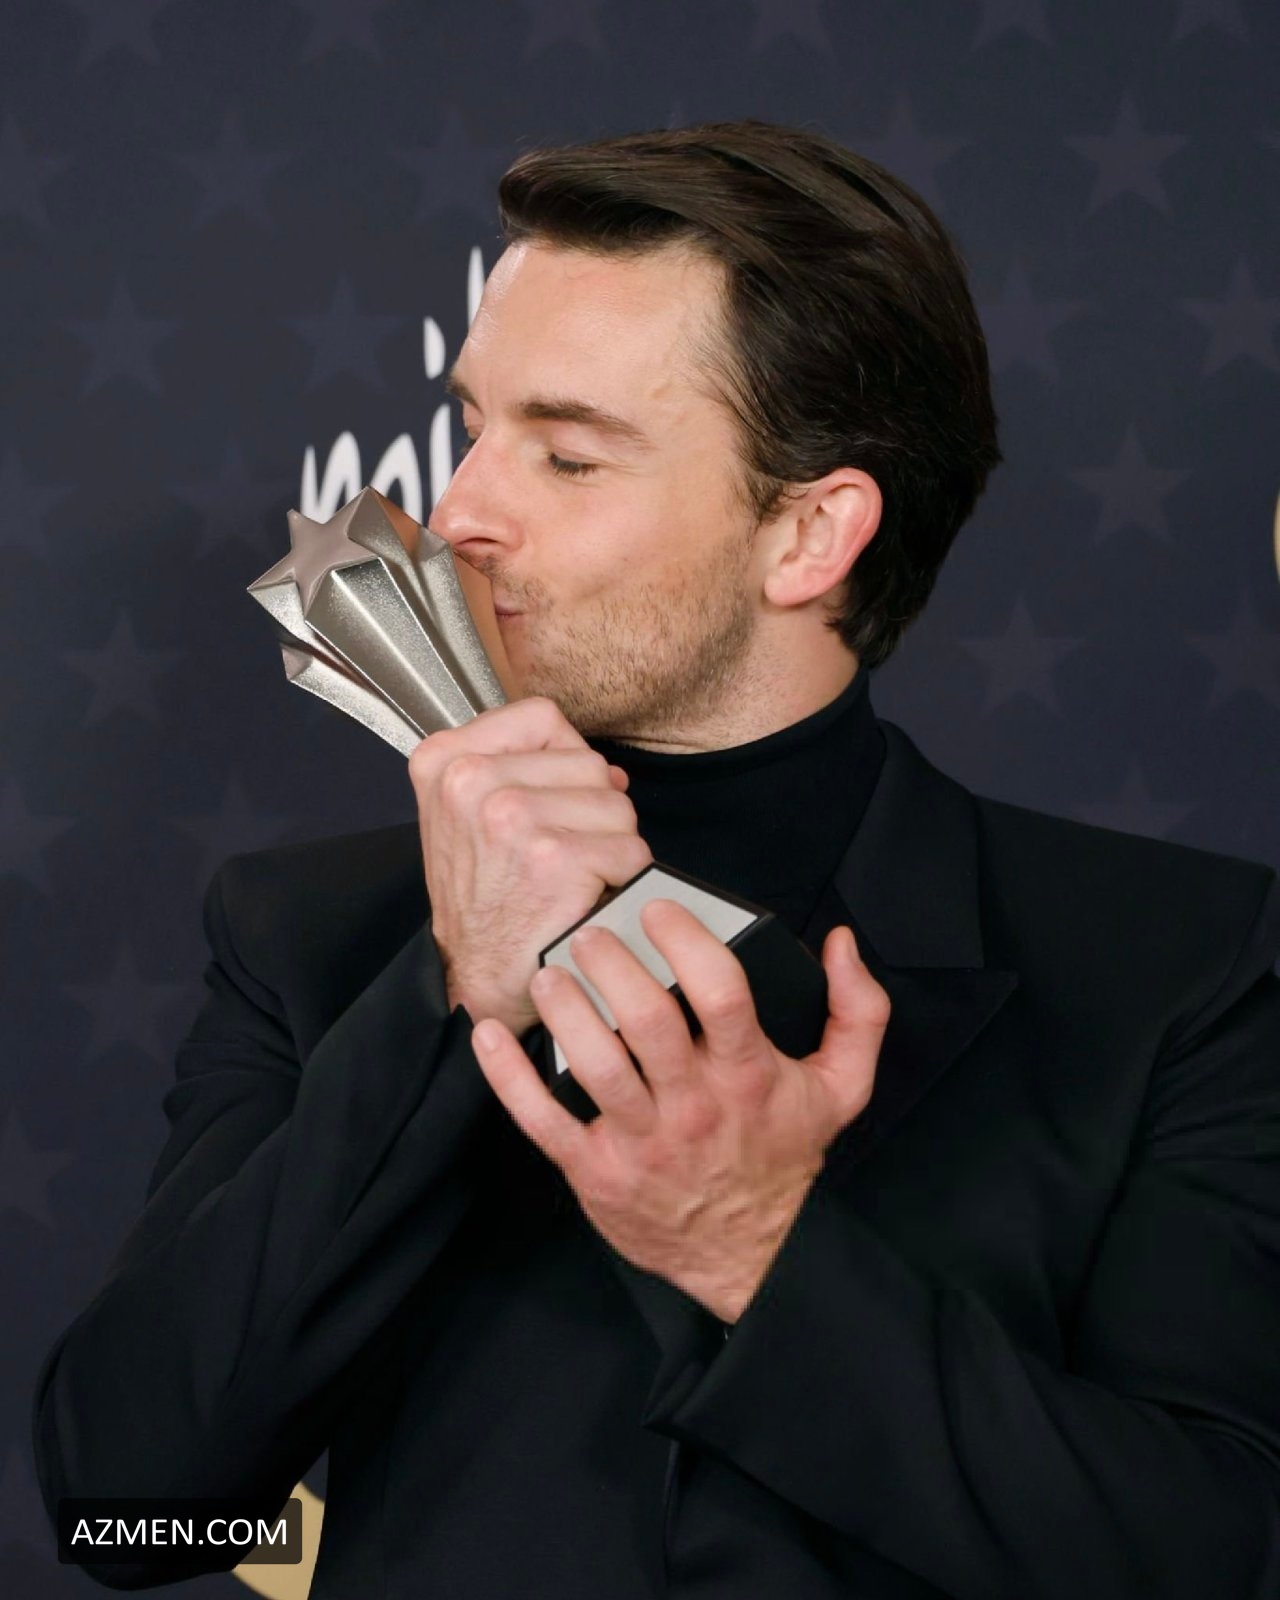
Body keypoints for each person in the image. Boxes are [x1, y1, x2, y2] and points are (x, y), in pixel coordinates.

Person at [32, 120, 1280, 1598]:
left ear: (810, 534)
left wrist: (757, 1253)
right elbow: (124, 1507)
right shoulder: (312, 932)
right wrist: (457, 997)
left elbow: (1203, 1556)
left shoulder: (1172, 966)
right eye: (472, 426)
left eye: (567, 456)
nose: (457, 513)